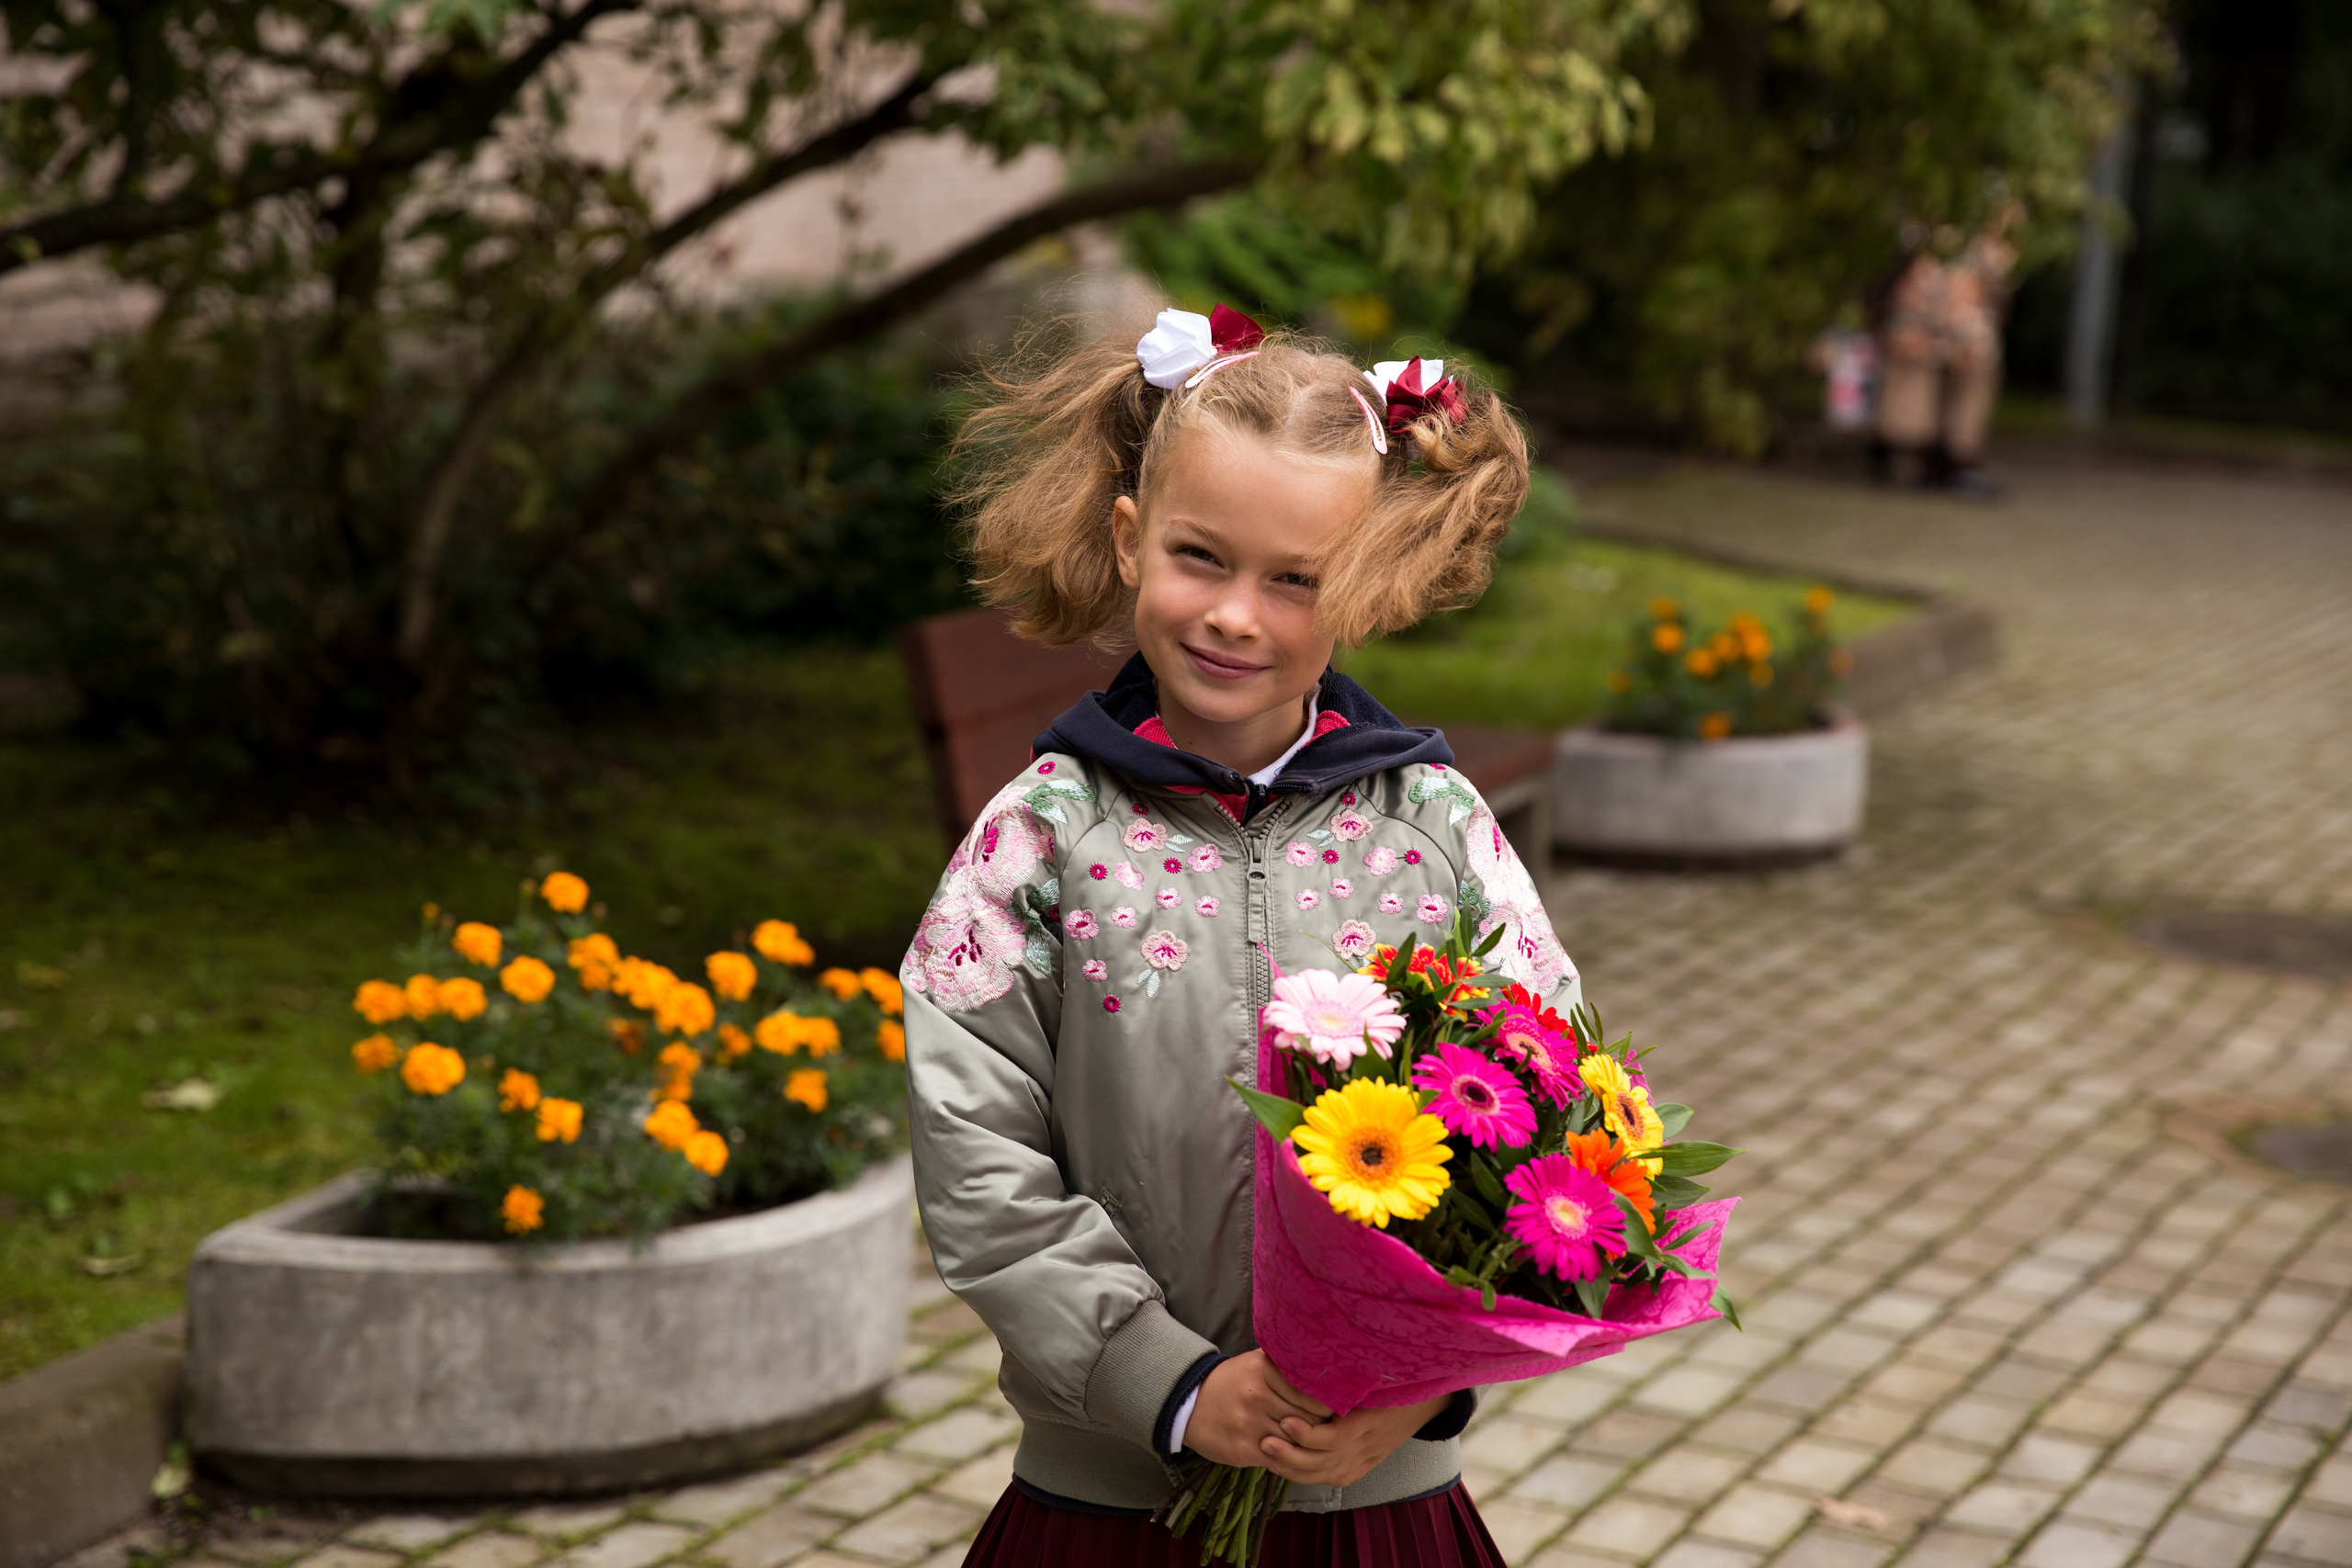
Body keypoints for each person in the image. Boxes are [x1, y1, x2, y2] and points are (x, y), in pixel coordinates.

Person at [899, 306, 1580, 1567]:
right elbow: (977, 1159)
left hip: (1383, 1503)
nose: (1234, 615)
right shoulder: (1037, 841)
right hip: (1107, 1506)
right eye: (1199, 557)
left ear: (1365, 585)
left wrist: (1419, 1380)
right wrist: (1164, 1381)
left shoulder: (1436, 830)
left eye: (1295, 578)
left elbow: (1558, 1129)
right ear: (1127, 539)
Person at [1873, 202, 2021, 495]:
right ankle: (1913, 451)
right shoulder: (1932, 196)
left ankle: (1950, 458)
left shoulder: (1996, 204)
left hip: (1962, 304)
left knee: (1967, 377)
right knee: (1915, 379)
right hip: (1931, 299)